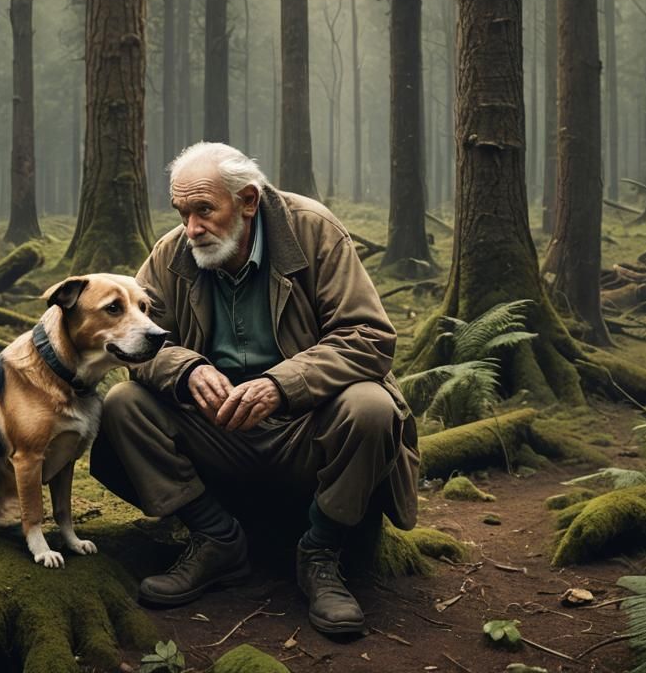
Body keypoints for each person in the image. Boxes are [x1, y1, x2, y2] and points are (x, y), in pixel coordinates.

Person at [90, 142, 419, 635]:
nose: (192, 228)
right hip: (217, 430)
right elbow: (138, 344)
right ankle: (216, 539)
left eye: (204, 210)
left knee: (371, 406)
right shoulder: (173, 254)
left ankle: (321, 554)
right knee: (123, 404)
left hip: (308, 430)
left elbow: (368, 337)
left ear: (247, 200)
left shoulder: (313, 231)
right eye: (183, 212)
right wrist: (184, 369)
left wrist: (281, 384)